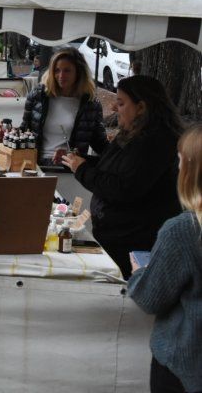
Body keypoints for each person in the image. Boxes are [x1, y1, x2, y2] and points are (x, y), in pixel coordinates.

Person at [63, 75, 183, 278]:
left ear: (142, 107)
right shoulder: (132, 133)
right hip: (116, 235)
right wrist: (79, 160)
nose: (114, 109)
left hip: (134, 240)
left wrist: (82, 169)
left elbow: (123, 187)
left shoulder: (156, 142)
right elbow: (109, 167)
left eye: (120, 103)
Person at [127, 124, 202, 393]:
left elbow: (150, 297)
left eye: (181, 160)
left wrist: (139, 272)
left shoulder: (184, 230)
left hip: (184, 365)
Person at [20, 47, 107, 164]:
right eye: (57, 70)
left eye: (67, 70)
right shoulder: (37, 95)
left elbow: (99, 143)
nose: (61, 75)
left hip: (71, 168)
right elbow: (24, 130)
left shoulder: (91, 104)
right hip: (36, 166)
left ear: (79, 72)